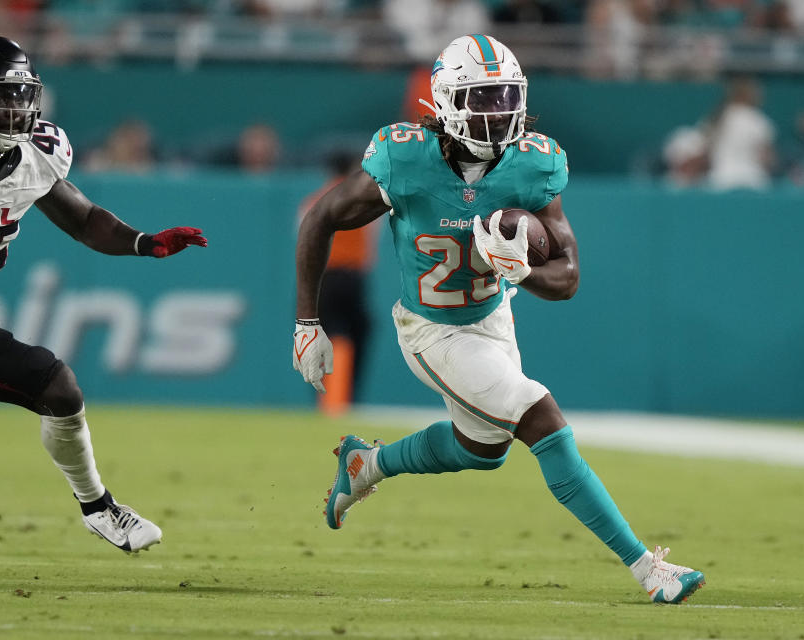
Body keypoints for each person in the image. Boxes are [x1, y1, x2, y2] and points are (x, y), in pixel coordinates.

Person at [293, 34, 706, 604]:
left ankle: (368, 463)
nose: (497, 113)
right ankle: (646, 568)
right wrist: (306, 322)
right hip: (432, 329)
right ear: (443, 102)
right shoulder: (403, 158)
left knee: (482, 449)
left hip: (492, 318)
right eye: (482, 98)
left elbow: (567, 279)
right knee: (541, 417)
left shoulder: (533, 165)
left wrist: (519, 274)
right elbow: (321, 218)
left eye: (506, 97)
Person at [0, 36, 207, 553]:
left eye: (21, 95)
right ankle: (100, 508)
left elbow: (85, 219)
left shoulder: (36, 155)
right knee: (57, 384)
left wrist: (142, 241)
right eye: (1, 96)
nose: (16, 108)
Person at [296, 150, 378, 414]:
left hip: (324, 277)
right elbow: (372, 238)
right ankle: (343, 399)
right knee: (353, 335)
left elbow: (305, 239)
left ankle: (328, 399)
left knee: (325, 336)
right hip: (353, 276)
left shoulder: (314, 200)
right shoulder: (361, 199)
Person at [705, 76, 775, 191]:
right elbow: (766, 158)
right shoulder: (758, 121)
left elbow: (707, 150)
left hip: (720, 179)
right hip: (753, 179)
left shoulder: (716, 118)